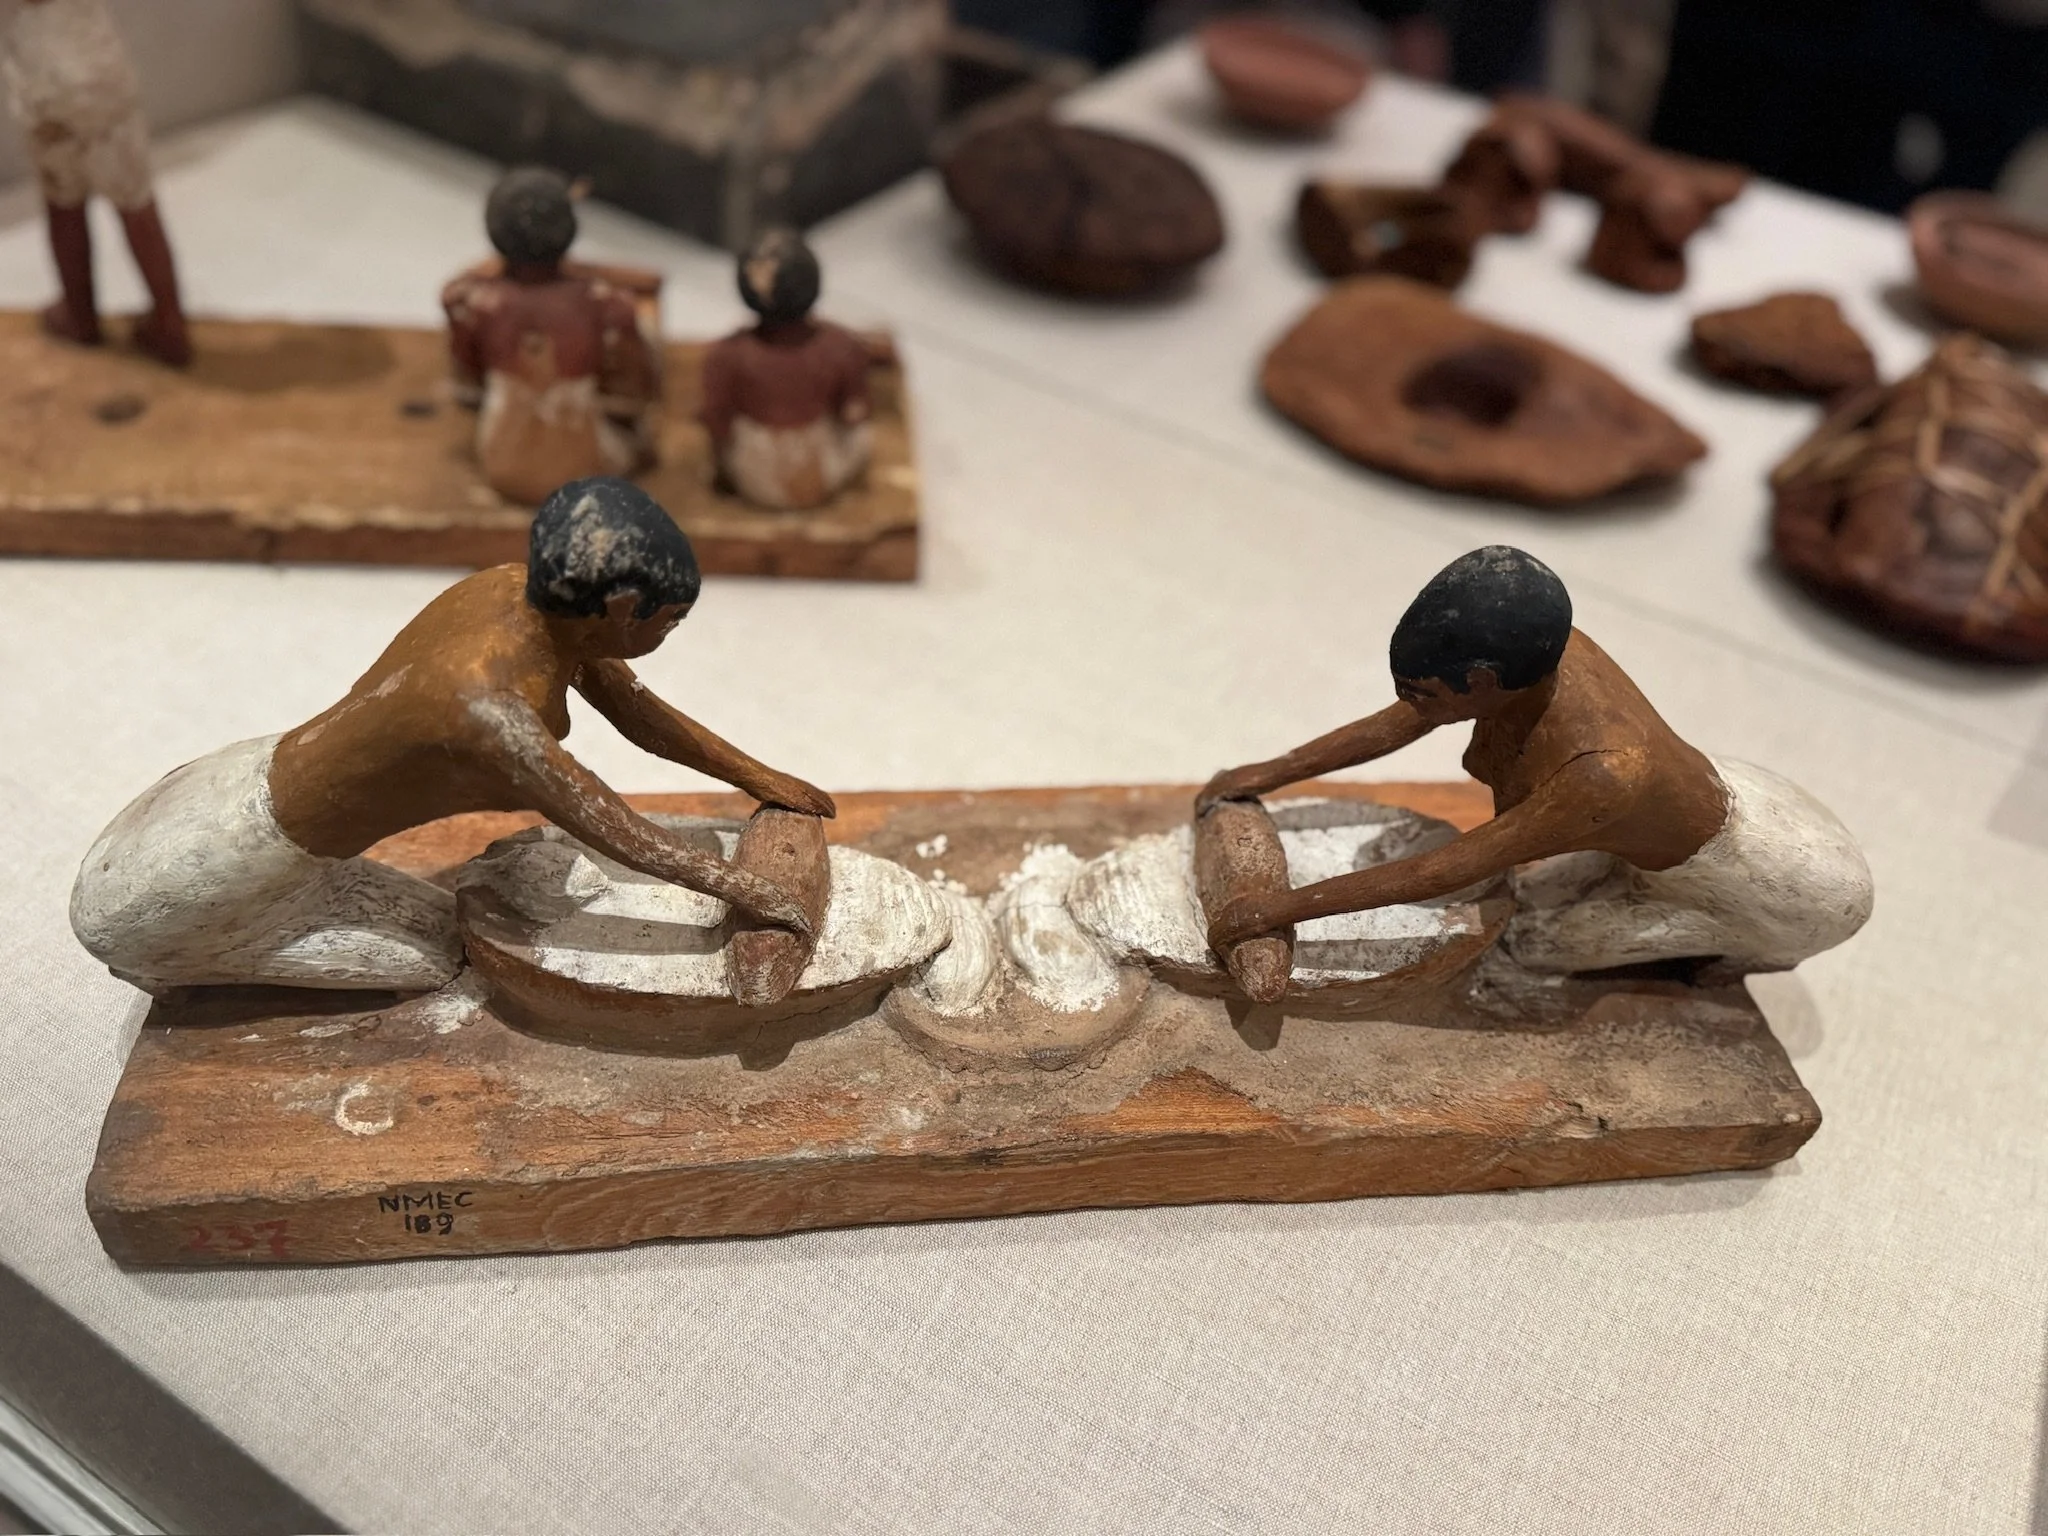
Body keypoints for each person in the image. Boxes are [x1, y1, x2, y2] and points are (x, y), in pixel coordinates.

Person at [72, 478, 835, 995]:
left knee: (471, 914)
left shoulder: (520, 590)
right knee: (442, 958)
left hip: (223, 791)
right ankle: (188, 961)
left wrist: (761, 779)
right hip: (202, 884)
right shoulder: (488, 711)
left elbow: (636, 712)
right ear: (623, 606)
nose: (671, 634)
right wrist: (749, 890)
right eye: (670, 622)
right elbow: (613, 824)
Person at [1199, 546, 1872, 976]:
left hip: (1779, 892)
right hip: (1731, 801)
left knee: (1534, 943)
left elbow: (1454, 864)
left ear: (1485, 682)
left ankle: (1734, 952)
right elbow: (1399, 724)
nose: (1409, 703)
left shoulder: (1599, 770)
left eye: (1424, 691)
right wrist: (1269, 772)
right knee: (1527, 897)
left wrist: (1280, 908)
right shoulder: (1541, 649)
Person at [442, 167, 661, 506]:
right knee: (647, 329)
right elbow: (631, 399)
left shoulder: (469, 301)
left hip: (502, 462)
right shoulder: (606, 306)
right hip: (586, 471)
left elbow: (468, 392)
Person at [1, 0, 189, 365]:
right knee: (134, 198)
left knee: (62, 198)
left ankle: (79, 312)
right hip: (93, 63)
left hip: (39, 72)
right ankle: (168, 324)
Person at [700, 226, 875, 510]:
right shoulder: (841, 345)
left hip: (754, 478)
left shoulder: (727, 354)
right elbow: (854, 413)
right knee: (862, 437)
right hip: (820, 474)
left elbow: (716, 424)